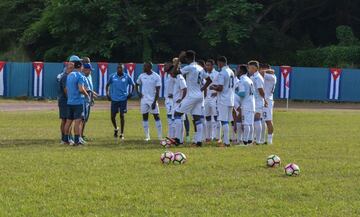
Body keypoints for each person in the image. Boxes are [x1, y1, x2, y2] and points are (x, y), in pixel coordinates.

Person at [171, 50, 212, 147]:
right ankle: (198, 142)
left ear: (186, 58)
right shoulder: (200, 68)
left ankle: (177, 139)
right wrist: (202, 89)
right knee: (197, 118)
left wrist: (178, 60)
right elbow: (209, 80)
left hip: (191, 96)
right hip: (199, 96)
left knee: (177, 113)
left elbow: (174, 73)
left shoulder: (189, 67)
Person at [63, 55, 90, 146]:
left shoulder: (69, 75)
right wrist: (87, 96)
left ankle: (65, 139)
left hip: (70, 102)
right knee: (78, 122)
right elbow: (81, 89)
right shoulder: (80, 76)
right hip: (78, 102)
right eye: (82, 65)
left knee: (68, 121)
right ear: (80, 66)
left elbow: (66, 88)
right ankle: (77, 140)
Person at [209, 56, 235, 147]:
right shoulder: (231, 71)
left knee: (224, 121)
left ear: (221, 63)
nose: (217, 65)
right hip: (231, 99)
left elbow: (220, 88)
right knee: (227, 121)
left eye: (218, 63)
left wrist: (213, 87)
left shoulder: (222, 73)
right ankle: (226, 140)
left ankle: (226, 142)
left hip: (223, 99)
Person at [106, 63, 135, 139]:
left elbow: (133, 85)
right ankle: (116, 128)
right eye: (118, 68)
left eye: (121, 68)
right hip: (114, 99)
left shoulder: (127, 76)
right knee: (112, 117)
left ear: (123, 69)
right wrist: (107, 94)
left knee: (122, 115)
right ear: (116, 69)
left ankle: (122, 133)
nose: (119, 69)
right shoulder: (112, 76)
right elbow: (107, 85)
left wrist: (131, 93)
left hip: (123, 99)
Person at [135, 62, 163, 141]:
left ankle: (160, 137)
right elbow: (136, 84)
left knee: (156, 116)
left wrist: (155, 101)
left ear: (149, 67)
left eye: (145, 67)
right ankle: (147, 136)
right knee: (144, 116)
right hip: (144, 100)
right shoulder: (142, 76)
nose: (143, 68)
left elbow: (158, 91)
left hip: (152, 100)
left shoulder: (156, 76)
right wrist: (138, 93)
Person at [235, 65, 255, 146]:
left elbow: (242, 94)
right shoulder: (249, 80)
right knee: (250, 123)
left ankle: (245, 142)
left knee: (246, 123)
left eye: (238, 70)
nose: (237, 71)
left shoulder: (242, 80)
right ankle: (250, 140)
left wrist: (235, 94)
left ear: (241, 71)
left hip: (246, 104)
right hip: (252, 103)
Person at [248, 60, 266, 145]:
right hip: (253, 101)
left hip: (258, 101)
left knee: (257, 119)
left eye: (250, 67)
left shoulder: (258, 77)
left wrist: (264, 99)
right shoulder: (253, 77)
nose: (248, 69)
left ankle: (258, 141)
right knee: (254, 120)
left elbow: (261, 90)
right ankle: (254, 139)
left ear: (254, 68)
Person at [169, 64, 187, 144]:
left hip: (179, 103)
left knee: (177, 119)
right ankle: (180, 139)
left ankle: (178, 139)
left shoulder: (180, 78)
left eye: (172, 71)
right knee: (180, 120)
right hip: (176, 102)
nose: (171, 73)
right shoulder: (176, 78)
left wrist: (181, 99)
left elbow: (185, 89)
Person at [260, 64, 277, 144]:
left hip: (268, 100)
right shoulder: (271, 76)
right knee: (263, 120)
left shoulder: (270, 76)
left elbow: (262, 72)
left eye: (262, 68)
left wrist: (265, 70)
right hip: (266, 99)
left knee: (268, 120)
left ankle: (270, 140)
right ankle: (262, 139)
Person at [58, 62, 74, 144]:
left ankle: (67, 138)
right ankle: (64, 139)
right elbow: (66, 90)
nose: (73, 69)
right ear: (68, 68)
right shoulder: (65, 77)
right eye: (71, 67)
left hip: (67, 100)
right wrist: (71, 99)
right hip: (65, 101)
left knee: (68, 120)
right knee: (65, 120)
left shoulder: (68, 76)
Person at [204, 59, 220, 142]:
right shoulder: (205, 74)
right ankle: (208, 136)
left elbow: (222, 86)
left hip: (214, 98)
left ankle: (217, 137)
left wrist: (217, 92)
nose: (207, 66)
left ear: (213, 66)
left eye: (209, 65)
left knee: (216, 117)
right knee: (207, 117)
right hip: (207, 98)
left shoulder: (217, 74)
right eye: (206, 65)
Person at [81, 62, 98, 142]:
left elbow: (89, 88)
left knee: (85, 120)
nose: (90, 71)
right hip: (83, 101)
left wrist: (92, 96)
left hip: (88, 101)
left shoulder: (89, 76)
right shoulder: (82, 77)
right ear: (85, 69)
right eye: (89, 70)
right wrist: (91, 94)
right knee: (82, 119)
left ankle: (81, 135)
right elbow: (84, 89)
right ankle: (79, 136)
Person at [164, 62, 175, 138]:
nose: (164, 67)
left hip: (172, 100)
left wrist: (174, 95)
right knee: (169, 118)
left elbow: (181, 87)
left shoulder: (173, 76)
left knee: (172, 118)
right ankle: (170, 136)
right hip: (167, 100)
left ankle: (173, 136)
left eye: (166, 66)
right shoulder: (166, 75)